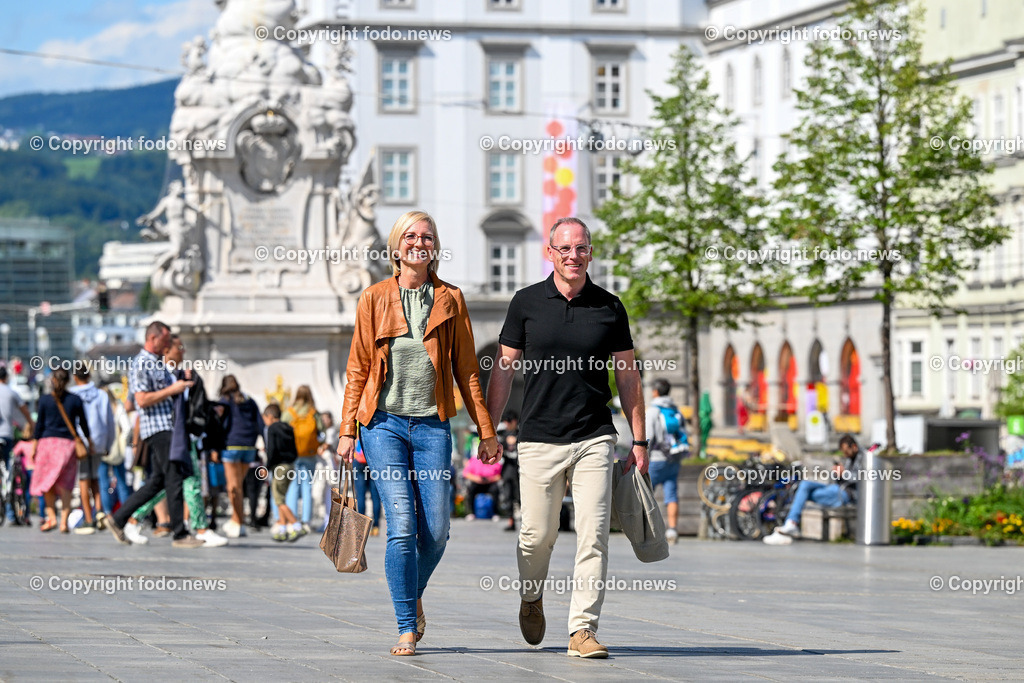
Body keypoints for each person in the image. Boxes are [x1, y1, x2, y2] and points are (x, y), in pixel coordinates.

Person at [337, 210, 500, 656]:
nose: (418, 242)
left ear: (435, 247)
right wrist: (347, 428)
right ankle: (406, 625)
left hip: (432, 426)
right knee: (402, 525)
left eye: (426, 236)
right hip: (383, 424)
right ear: (396, 246)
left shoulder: (451, 299)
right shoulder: (373, 298)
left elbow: (467, 370)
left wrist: (486, 429)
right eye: (410, 236)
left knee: (438, 532)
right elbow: (358, 369)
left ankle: (412, 591)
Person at [485, 216, 648, 659]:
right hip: (538, 438)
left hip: (595, 436)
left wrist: (639, 439)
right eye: (565, 248)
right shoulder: (525, 303)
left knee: (593, 533)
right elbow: (503, 369)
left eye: (581, 248)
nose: (573, 255)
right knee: (536, 536)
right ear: (551, 253)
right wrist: (488, 430)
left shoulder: (610, 307)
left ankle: (582, 629)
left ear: (590, 253)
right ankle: (532, 595)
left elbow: (628, 375)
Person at [121, 336, 227, 547]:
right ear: (167, 350)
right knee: (181, 481)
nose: (183, 351)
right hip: (168, 436)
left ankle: (134, 519)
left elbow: (197, 405)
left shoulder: (187, 375)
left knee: (169, 482)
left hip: (182, 435)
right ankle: (198, 528)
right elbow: (134, 403)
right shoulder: (158, 374)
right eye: (179, 347)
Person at [107, 321, 204, 548]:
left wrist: (180, 379)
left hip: (166, 427)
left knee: (158, 481)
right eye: (166, 339)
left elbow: (163, 388)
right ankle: (180, 533)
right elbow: (141, 399)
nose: (169, 344)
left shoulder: (156, 363)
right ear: (153, 338)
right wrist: (173, 389)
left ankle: (119, 518)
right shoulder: (142, 363)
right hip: (158, 428)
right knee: (174, 477)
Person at [763, 434, 864, 545]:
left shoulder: (864, 458)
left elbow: (861, 477)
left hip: (846, 494)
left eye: (846, 451)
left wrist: (844, 473)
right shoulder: (849, 458)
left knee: (801, 494)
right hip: (835, 488)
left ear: (854, 446)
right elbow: (835, 479)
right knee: (804, 485)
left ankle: (790, 523)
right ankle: (790, 524)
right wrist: (836, 472)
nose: (845, 454)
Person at [31, 369, 93, 533]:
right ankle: (63, 522)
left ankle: (51, 517)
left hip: (47, 445)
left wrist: (34, 447)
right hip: (68, 446)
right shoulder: (75, 399)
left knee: (47, 484)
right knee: (66, 485)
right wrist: (90, 443)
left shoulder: (44, 400)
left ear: (52, 380)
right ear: (68, 381)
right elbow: (84, 425)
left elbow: (39, 426)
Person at [69, 367, 116, 535]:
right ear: (89, 376)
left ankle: (88, 519)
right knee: (95, 478)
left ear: (75, 377)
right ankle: (98, 513)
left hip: (80, 442)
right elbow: (110, 421)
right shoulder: (102, 395)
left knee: (83, 480)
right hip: (99, 439)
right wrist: (108, 444)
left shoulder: (71, 394)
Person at [217, 375, 262, 538]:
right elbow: (260, 421)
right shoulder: (249, 399)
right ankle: (236, 520)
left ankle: (238, 522)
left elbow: (219, 423)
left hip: (231, 443)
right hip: (249, 446)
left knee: (233, 486)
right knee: (239, 485)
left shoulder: (225, 400)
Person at [645, 378, 686, 545]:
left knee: (646, 494)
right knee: (671, 495)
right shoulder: (675, 409)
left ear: (655, 391)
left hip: (656, 458)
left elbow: (647, 437)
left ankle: (646, 530)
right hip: (673, 458)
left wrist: (643, 457)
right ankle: (672, 530)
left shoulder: (653, 411)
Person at [284, 385, 323, 534]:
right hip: (310, 454)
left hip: (293, 454)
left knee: (293, 486)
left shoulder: (290, 412)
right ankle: (306, 521)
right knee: (307, 486)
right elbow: (321, 432)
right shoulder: (313, 413)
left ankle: (292, 520)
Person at [0, 365, 35, 524]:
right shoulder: (11, 392)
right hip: (6, 435)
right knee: (8, 468)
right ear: (6, 377)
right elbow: (25, 411)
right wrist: (31, 426)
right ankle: (11, 514)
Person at [263, 403, 301, 542]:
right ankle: (283, 528)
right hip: (290, 465)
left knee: (278, 499)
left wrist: (267, 467)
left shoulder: (272, 428)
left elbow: (271, 450)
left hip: (279, 467)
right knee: (282, 497)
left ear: (270, 417)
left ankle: (296, 525)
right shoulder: (288, 428)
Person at [350, 433, 381, 536]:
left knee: (361, 495)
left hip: (359, 459)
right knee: (375, 496)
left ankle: (362, 526)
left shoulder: (359, 419)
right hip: (374, 459)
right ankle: (376, 526)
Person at [462, 450, 502, 520]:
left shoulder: (494, 461)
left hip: (490, 482)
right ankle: (471, 513)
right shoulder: (474, 460)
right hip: (477, 482)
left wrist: (490, 479)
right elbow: (466, 473)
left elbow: (499, 475)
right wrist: (476, 479)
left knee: (495, 490)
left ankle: (495, 513)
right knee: (471, 489)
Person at [498, 410, 521, 532]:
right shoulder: (503, 435)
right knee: (508, 496)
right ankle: (511, 521)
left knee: (521, 496)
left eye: (509, 421)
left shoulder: (521, 434)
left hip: (520, 470)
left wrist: (515, 442)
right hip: (508, 470)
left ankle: (526, 523)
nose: (507, 424)